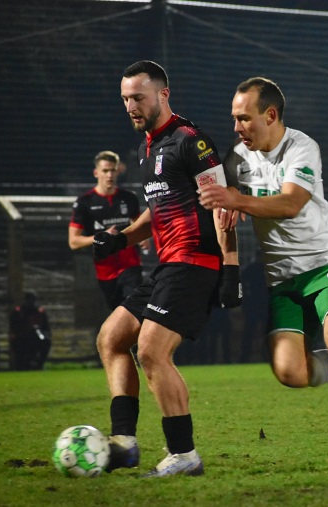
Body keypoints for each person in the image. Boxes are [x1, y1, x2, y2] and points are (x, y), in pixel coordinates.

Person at [198, 76, 328, 474]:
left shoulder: (302, 147)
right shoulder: (236, 161)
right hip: (281, 282)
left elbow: (290, 203)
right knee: (290, 373)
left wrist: (235, 198)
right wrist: (231, 268)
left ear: (270, 115)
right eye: (234, 119)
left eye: (244, 118)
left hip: (325, 266)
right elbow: (226, 216)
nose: (237, 127)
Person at [92, 60, 241, 478]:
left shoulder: (190, 141)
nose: (130, 106)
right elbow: (157, 213)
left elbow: (221, 204)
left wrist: (231, 269)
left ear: (163, 94)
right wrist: (122, 238)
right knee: (111, 338)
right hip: (167, 265)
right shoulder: (145, 150)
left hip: (196, 264)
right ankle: (124, 443)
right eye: (125, 99)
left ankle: (184, 454)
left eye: (137, 97)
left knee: (152, 351)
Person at [68, 150, 149, 311]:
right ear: (96, 173)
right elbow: (73, 242)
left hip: (130, 266)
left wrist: (143, 239)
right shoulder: (84, 202)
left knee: (133, 310)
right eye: (105, 171)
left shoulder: (128, 198)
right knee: (117, 315)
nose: (109, 175)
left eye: (113, 170)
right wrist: (101, 237)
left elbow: (138, 224)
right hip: (105, 271)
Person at [8, 291, 52, 370]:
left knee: (46, 341)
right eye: (29, 300)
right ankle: (21, 365)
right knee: (19, 351)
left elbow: (46, 327)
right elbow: (13, 327)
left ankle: (39, 365)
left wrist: (43, 333)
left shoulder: (40, 311)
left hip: (36, 338)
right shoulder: (18, 312)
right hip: (22, 338)